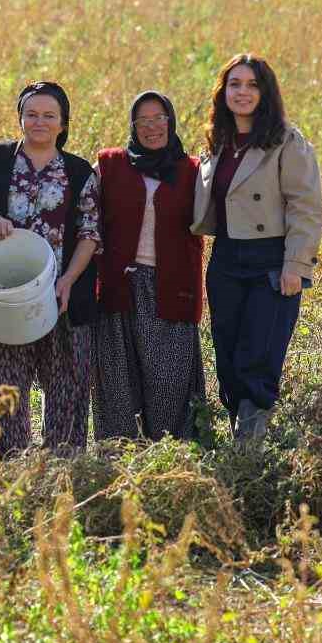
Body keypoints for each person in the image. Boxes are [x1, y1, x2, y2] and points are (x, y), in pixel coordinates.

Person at [192, 54, 322, 445]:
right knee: (229, 358)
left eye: (252, 85)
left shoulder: (287, 140)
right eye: (235, 84)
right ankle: (239, 441)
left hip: (271, 259)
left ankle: (249, 450)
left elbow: (306, 206)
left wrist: (296, 265)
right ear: (223, 92)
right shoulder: (218, 143)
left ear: (265, 92)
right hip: (227, 258)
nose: (243, 92)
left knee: (258, 356)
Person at [0, 81, 100, 455]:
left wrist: (69, 280)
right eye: (32, 114)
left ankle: (62, 470)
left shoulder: (79, 171)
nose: (39, 122)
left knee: (67, 388)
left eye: (49, 116)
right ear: (21, 118)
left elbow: (90, 233)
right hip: (3, 296)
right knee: (3, 387)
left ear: (63, 123)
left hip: (59, 296)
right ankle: (8, 472)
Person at [91, 91, 206, 442]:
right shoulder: (109, 165)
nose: (152, 127)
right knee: (117, 381)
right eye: (143, 121)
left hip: (171, 289)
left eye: (159, 119)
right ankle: (119, 460)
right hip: (118, 288)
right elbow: (83, 218)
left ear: (171, 121)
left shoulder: (192, 171)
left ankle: (172, 458)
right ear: (132, 125)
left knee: (168, 380)